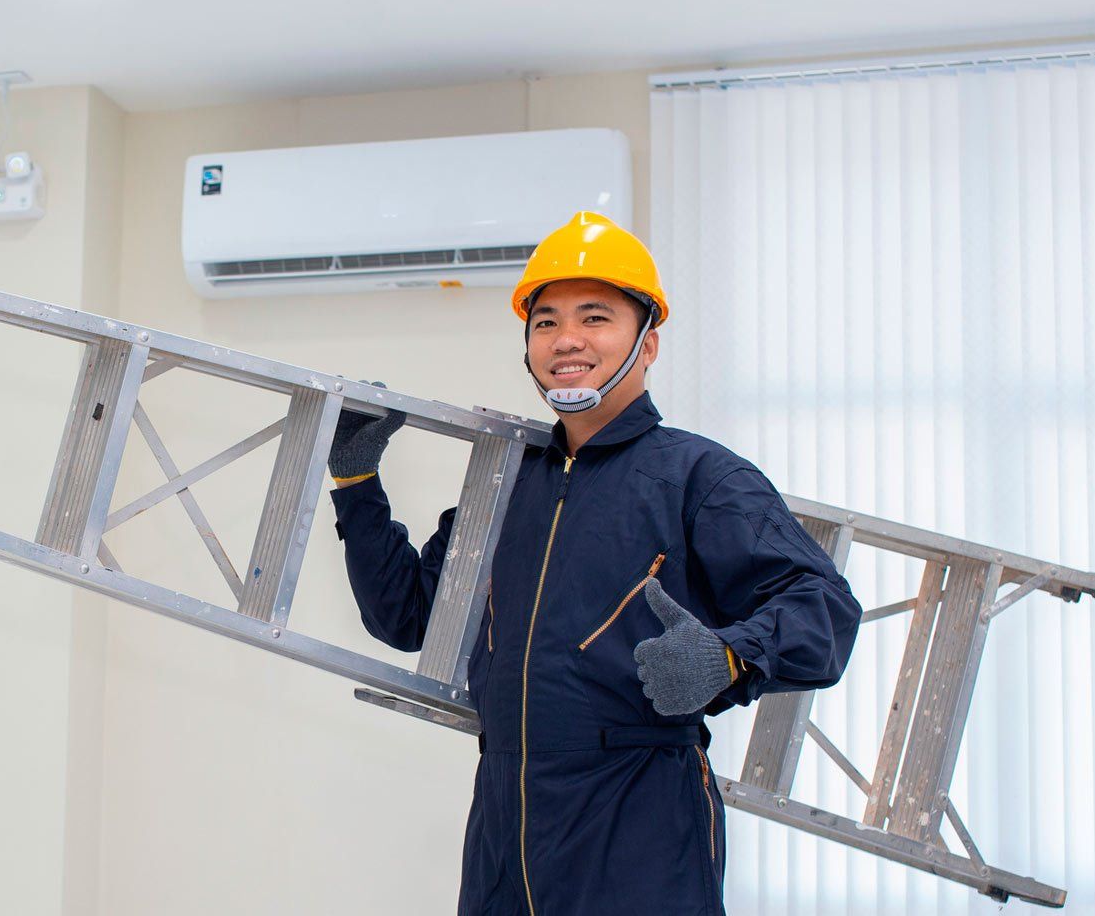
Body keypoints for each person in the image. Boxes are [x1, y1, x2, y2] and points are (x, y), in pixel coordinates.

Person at [327, 211, 862, 915]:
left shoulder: (699, 477)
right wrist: (355, 483)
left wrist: (728, 658)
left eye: (595, 317)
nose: (566, 340)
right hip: (503, 824)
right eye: (545, 322)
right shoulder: (505, 480)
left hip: (637, 823)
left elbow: (824, 607)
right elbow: (406, 616)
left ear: (648, 343)